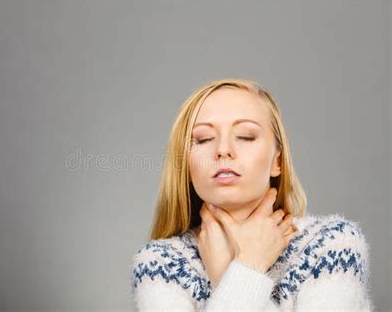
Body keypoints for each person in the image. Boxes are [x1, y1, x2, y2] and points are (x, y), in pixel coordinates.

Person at [130, 78, 373, 311]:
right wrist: (249, 265)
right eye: (203, 139)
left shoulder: (332, 245)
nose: (223, 150)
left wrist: (232, 273)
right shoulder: (159, 262)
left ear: (277, 160)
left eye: (246, 136)